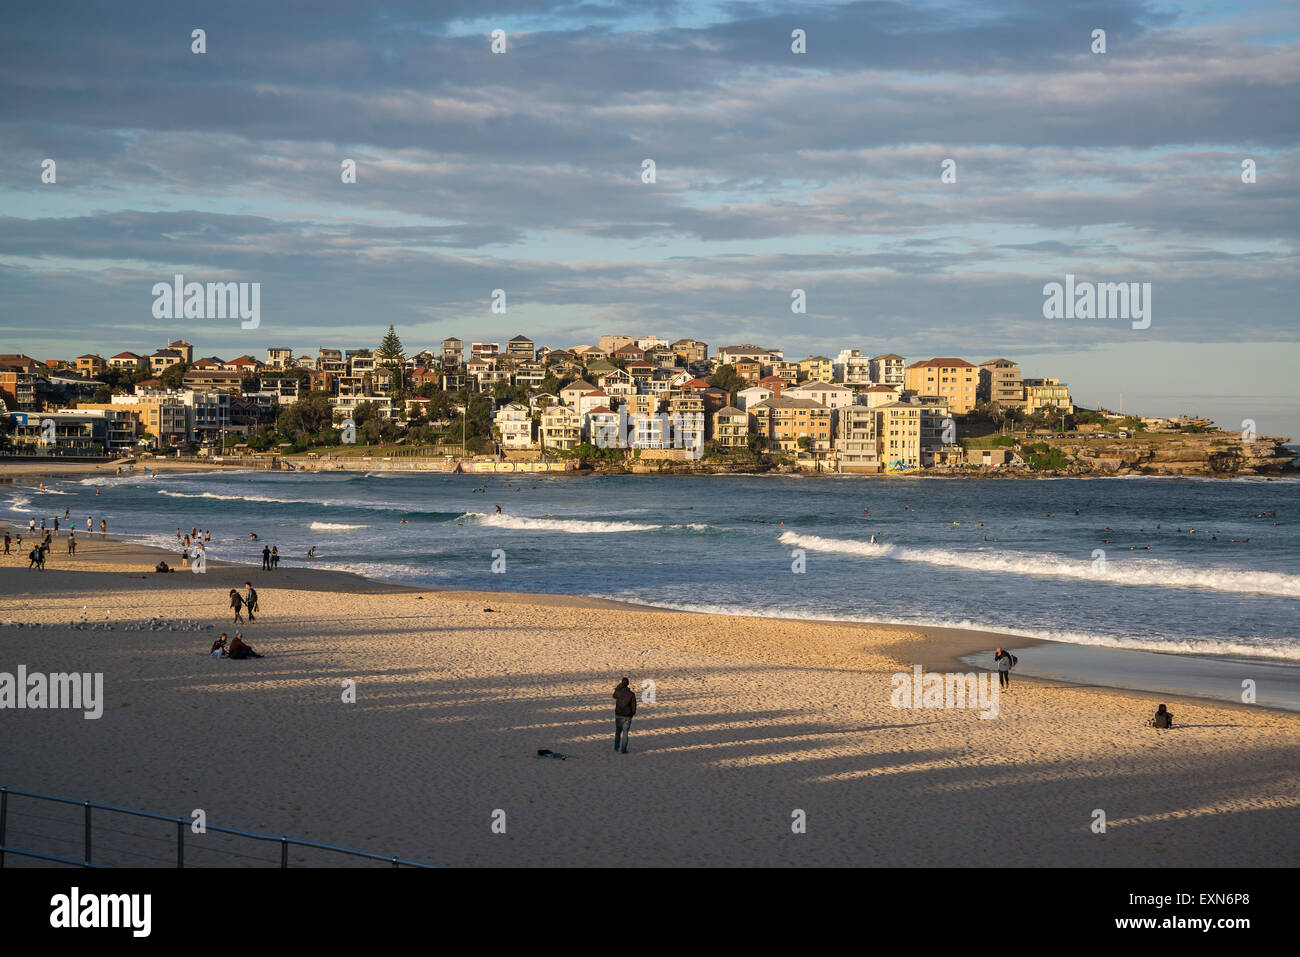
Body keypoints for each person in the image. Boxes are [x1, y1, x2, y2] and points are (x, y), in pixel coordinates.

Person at [612, 677, 637, 753]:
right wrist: (631, 714)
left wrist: (618, 687)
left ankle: (616, 747)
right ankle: (623, 749)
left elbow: (614, 695)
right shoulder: (631, 694)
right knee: (625, 734)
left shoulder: (618, 692)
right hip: (627, 716)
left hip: (618, 714)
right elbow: (634, 707)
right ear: (628, 684)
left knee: (617, 732)